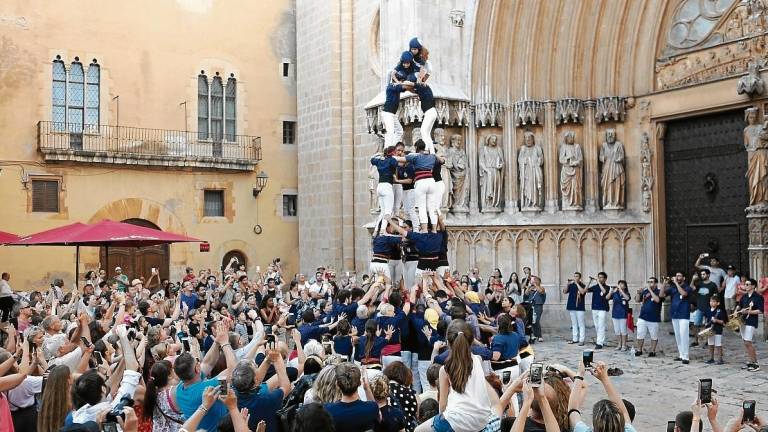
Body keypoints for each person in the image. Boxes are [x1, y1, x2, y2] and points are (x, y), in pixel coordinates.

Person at [415, 320, 492, 432]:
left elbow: (442, 405)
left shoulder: (445, 369)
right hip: (483, 419)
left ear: (448, 342)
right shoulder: (478, 360)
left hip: (457, 419)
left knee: (418, 430)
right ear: (471, 341)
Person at [174, 322, 237, 432]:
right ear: (197, 369)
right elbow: (234, 372)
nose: (200, 362)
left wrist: (217, 341)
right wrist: (225, 343)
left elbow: (208, 363)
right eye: (197, 361)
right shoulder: (209, 388)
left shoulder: (179, 389)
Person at [323, 362, 379, 432]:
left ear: (337, 385)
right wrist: (367, 388)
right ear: (359, 383)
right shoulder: (371, 408)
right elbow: (378, 416)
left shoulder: (327, 411)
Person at [372, 146, 401, 235]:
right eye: (396, 151)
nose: (397, 153)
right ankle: (383, 230)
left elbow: (372, 160)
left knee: (383, 212)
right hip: (387, 187)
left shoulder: (380, 160)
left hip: (379, 187)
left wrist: (380, 155)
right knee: (388, 211)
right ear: (392, 152)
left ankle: (376, 230)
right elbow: (396, 164)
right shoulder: (392, 160)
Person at [736, 278, 763, 372]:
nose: (745, 286)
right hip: (742, 321)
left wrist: (748, 311)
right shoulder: (744, 296)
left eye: (747, 284)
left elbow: (760, 311)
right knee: (745, 342)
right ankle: (751, 361)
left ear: (753, 286)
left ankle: (756, 363)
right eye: (745, 284)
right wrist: (736, 311)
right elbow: (739, 305)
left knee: (748, 342)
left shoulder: (758, 297)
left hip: (751, 321)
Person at [665, 272, 692, 364]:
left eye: (679, 276)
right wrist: (664, 283)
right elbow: (661, 295)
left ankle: (686, 356)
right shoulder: (672, 288)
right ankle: (681, 354)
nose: (677, 277)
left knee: (684, 335)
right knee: (678, 335)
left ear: (683, 278)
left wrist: (676, 283)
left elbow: (684, 294)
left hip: (684, 314)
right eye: (676, 276)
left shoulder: (687, 287)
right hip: (674, 314)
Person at [634, 278, 662, 357]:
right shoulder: (645, 291)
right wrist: (638, 293)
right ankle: (639, 350)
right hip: (642, 316)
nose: (649, 283)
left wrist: (650, 290)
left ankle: (652, 351)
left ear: (656, 284)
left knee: (654, 335)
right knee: (640, 334)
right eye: (648, 282)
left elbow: (657, 300)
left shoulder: (659, 292)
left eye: (651, 282)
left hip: (654, 318)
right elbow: (637, 300)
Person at [691, 268, 717, 347]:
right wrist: (693, 279)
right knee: (696, 325)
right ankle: (696, 341)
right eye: (701, 274)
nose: (702, 276)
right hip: (700, 307)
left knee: (709, 325)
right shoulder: (699, 284)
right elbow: (691, 288)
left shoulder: (713, 285)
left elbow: (715, 297)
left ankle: (708, 341)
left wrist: (714, 307)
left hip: (709, 308)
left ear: (708, 275)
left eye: (704, 274)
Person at [588, 273, 611, 349]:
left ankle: (599, 343)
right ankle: (600, 340)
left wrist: (598, 283)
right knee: (597, 326)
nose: (600, 279)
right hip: (594, 308)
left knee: (601, 325)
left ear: (605, 279)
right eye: (599, 277)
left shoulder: (607, 287)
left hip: (602, 308)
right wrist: (589, 282)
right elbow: (585, 290)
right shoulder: (595, 287)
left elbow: (604, 292)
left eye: (601, 277)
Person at [564, 272, 587, 346]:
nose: (575, 277)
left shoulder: (583, 285)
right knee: (574, 323)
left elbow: (582, 292)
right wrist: (567, 284)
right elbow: (564, 291)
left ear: (580, 278)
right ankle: (575, 339)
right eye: (574, 276)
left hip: (580, 307)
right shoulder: (571, 285)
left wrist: (577, 284)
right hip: (571, 305)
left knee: (581, 324)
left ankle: (581, 340)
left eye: (577, 276)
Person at [704, 295, 726, 365]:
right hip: (710, 329)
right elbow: (706, 318)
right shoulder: (707, 309)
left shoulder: (720, 311)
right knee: (710, 344)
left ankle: (720, 359)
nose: (711, 303)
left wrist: (716, 320)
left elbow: (723, 322)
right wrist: (705, 323)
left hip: (718, 329)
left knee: (718, 344)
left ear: (718, 303)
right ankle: (711, 358)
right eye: (710, 301)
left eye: (713, 302)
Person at [609, 280, 630, 351]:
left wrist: (621, 290)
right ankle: (619, 344)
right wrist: (611, 291)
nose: (620, 285)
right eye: (619, 284)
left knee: (623, 330)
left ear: (625, 286)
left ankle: (624, 345)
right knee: (617, 330)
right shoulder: (615, 293)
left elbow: (627, 298)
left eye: (622, 284)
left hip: (623, 314)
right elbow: (607, 298)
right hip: (615, 313)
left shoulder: (626, 293)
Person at [526, 276, 546, 342]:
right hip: (531, 305)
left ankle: (539, 336)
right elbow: (526, 293)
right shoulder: (531, 288)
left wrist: (535, 285)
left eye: (534, 280)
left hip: (538, 305)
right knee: (532, 321)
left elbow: (540, 291)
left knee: (537, 320)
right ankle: (534, 335)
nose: (532, 281)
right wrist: (529, 286)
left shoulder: (542, 288)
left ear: (538, 281)